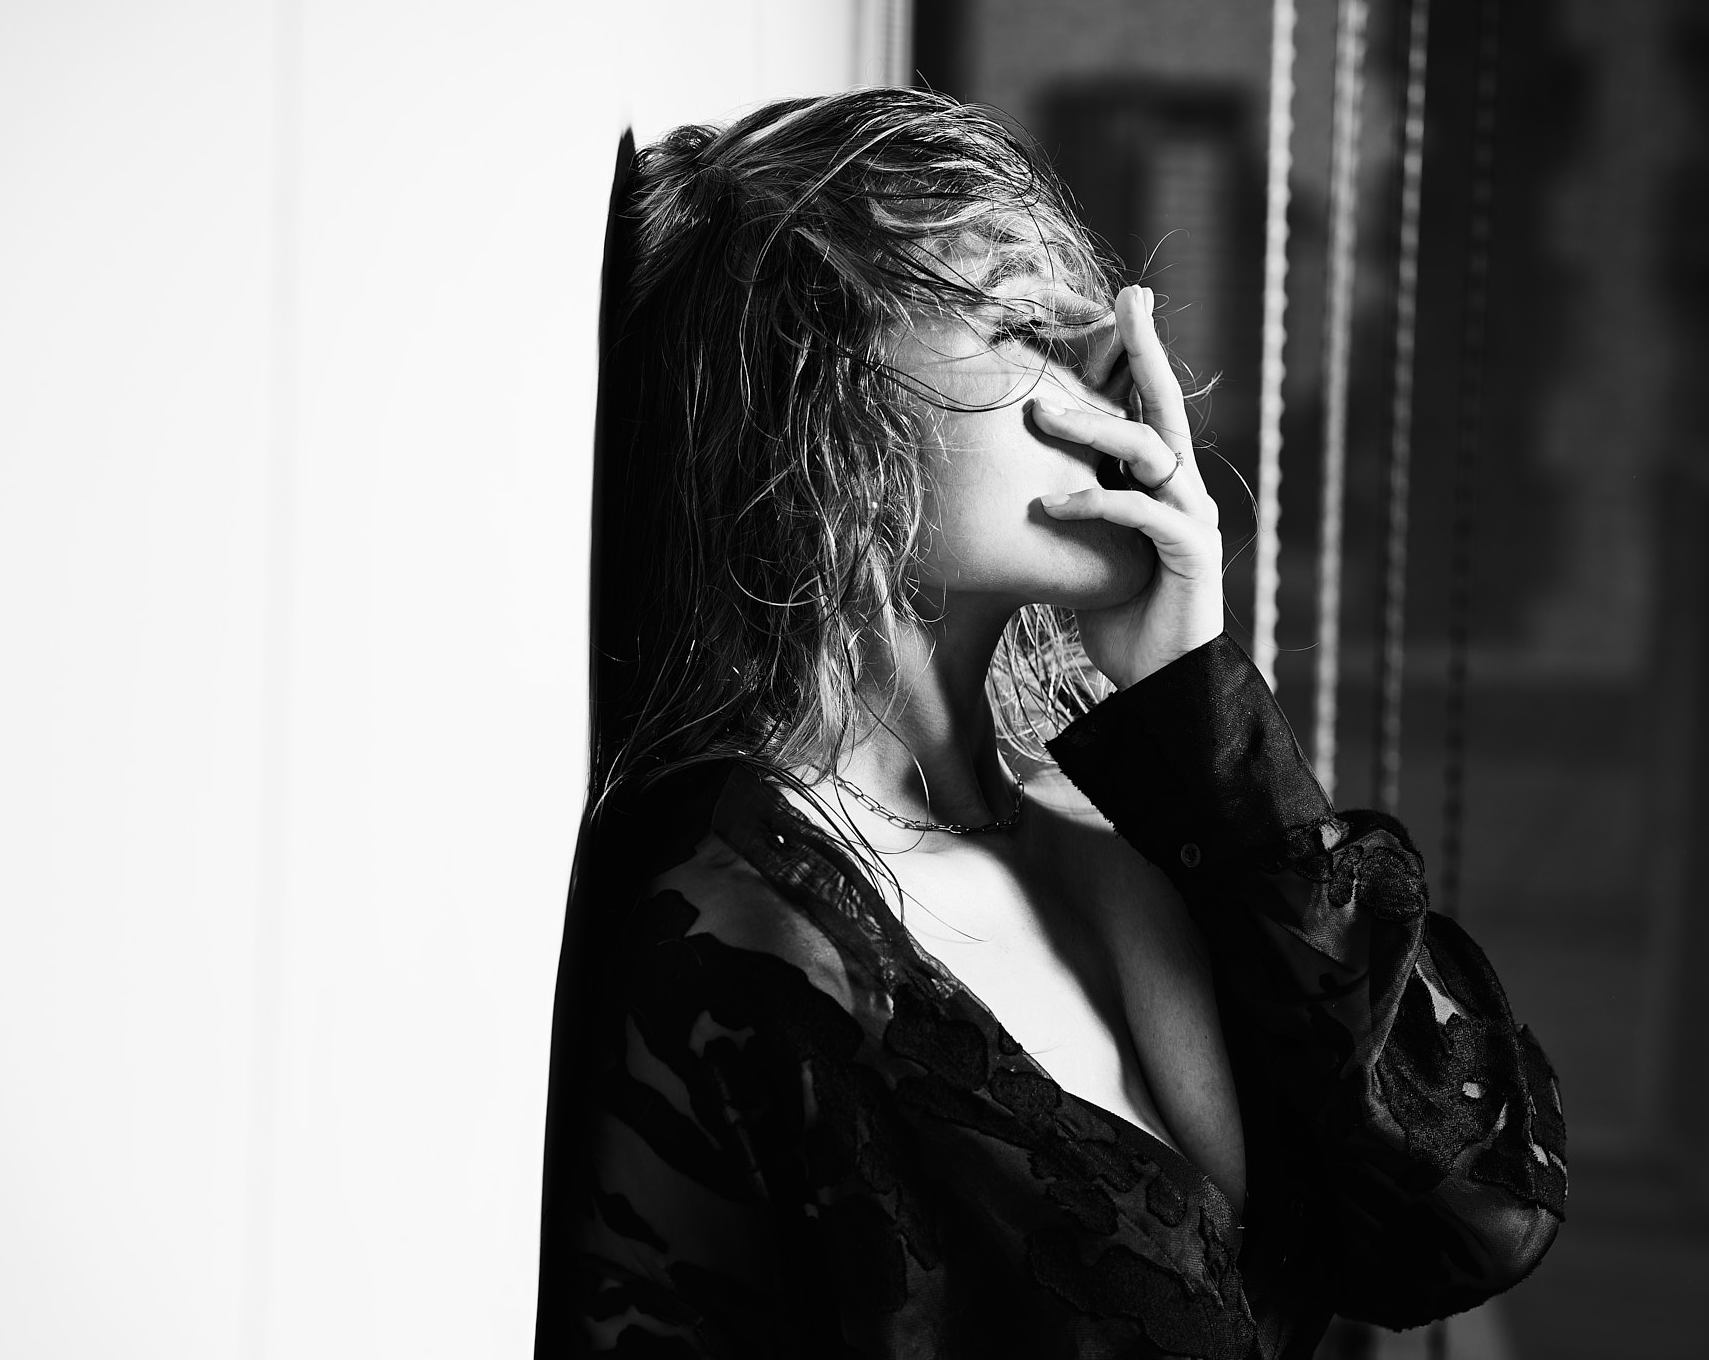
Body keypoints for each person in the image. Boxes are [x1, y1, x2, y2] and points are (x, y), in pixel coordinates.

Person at [534, 87, 1565, 1359]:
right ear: (824, 403)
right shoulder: (743, 936)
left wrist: (1196, 700)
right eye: (1022, 324)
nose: (1115, 382)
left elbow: (1472, 1216)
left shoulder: (1124, 829)